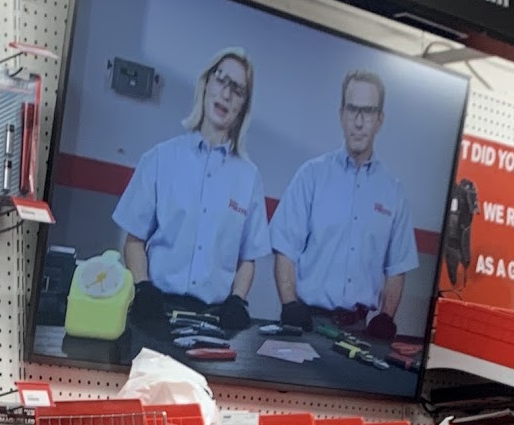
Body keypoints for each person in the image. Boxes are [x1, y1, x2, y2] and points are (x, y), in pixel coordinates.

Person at [112, 46, 270, 338]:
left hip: (213, 324)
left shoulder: (249, 178)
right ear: (206, 83)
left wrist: (238, 299)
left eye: (237, 89)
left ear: (243, 106)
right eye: (221, 80)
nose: (226, 94)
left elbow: (248, 259)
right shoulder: (160, 159)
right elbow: (134, 240)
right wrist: (142, 286)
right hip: (155, 314)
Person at [270, 67, 418, 340]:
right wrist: (290, 305)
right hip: (306, 324)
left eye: (368, 112)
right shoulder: (311, 176)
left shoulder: (393, 192)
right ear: (341, 115)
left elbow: (397, 268)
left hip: (359, 332)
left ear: (380, 120)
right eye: (352, 109)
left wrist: (386, 317)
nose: (359, 122)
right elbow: (285, 249)